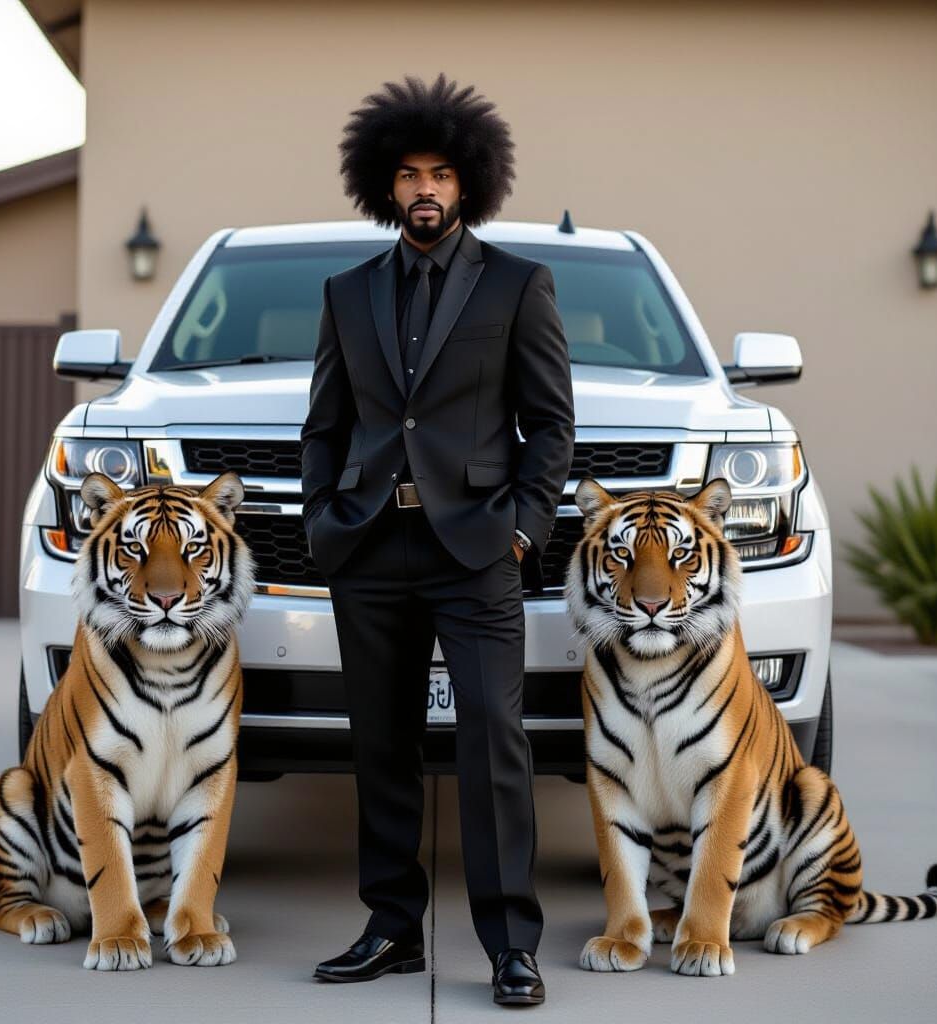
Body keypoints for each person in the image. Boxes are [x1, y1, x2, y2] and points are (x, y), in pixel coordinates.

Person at [300, 73, 574, 1007]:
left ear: (470, 185)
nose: (425, 189)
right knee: (380, 744)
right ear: (385, 183)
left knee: (495, 738)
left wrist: (524, 533)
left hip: (476, 550)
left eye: (442, 175)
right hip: (369, 547)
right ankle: (391, 930)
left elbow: (551, 427)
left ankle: (509, 944)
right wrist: (321, 520)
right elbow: (324, 427)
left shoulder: (518, 285)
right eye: (410, 173)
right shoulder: (347, 292)